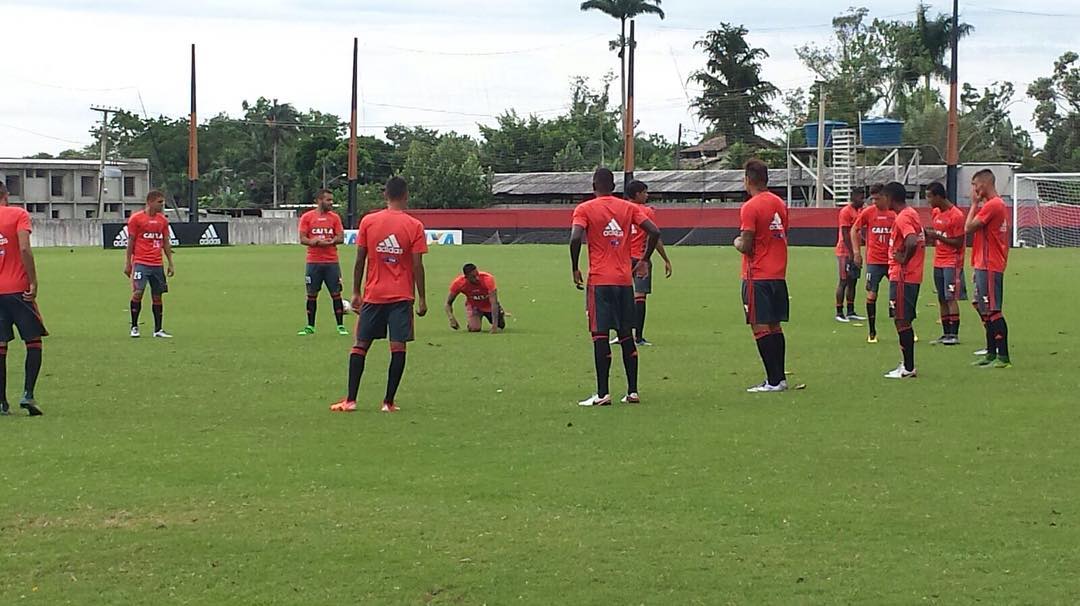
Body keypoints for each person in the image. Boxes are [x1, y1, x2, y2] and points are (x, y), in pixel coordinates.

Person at [331, 177, 428, 413]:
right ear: (406, 195)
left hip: (373, 294)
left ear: (385, 195)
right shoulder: (414, 226)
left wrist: (355, 292)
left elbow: (359, 260)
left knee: (360, 345)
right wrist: (422, 298)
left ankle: (351, 400)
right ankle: (388, 402)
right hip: (401, 296)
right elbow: (417, 265)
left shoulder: (369, 221)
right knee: (398, 348)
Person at [570, 168, 660, 407]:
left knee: (600, 335)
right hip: (623, 281)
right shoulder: (629, 208)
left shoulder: (585, 209)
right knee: (626, 336)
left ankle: (602, 394)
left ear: (593, 185)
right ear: (614, 186)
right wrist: (644, 260)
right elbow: (654, 231)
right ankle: (632, 392)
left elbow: (575, 237)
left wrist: (575, 267)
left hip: (599, 280)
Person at [734, 159, 790, 392]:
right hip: (778, 273)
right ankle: (780, 378)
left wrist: (735, 242)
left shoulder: (750, 206)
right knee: (774, 326)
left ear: (748, 180)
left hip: (757, 274)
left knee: (759, 326)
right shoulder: (780, 203)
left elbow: (746, 244)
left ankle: (773, 380)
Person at [0, 183, 45, 416]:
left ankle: (1, 402)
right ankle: (28, 394)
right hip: (18, 289)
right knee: (33, 341)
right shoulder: (18, 214)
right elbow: (25, 248)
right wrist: (33, 281)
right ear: (5, 195)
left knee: (0, 345)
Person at [966, 169, 1011, 368]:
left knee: (993, 310)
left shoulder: (993, 205)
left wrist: (974, 204)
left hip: (990, 264)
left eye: (975, 185)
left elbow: (968, 227)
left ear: (983, 185)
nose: (974, 189)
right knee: (981, 305)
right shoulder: (995, 205)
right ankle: (991, 352)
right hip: (983, 263)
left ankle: (1003, 356)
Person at [883, 181, 926, 379]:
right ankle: (906, 364)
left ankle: (908, 367)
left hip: (903, 276)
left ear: (890, 198)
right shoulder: (912, 213)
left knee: (901, 319)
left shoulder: (903, 218)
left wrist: (903, 259)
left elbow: (911, 240)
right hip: (910, 276)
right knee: (902, 318)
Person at [624, 180, 673, 346]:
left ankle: (622, 334)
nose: (647, 195)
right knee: (640, 297)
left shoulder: (620, 209)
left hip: (621, 259)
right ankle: (638, 337)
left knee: (621, 296)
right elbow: (655, 236)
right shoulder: (646, 212)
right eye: (645, 192)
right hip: (641, 258)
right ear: (637, 194)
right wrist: (665, 259)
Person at [124, 190, 175, 338]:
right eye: (160, 202)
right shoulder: (136, 219)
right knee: (138, 292)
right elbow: (131, 242)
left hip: (157, 264)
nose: (162, 205)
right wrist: (128, 263)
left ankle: (158, 329)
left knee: (157, 295)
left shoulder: (162, 221)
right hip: (141, 262)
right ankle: (134, 327)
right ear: (150, 202)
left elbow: (165, 242)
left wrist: (170, 263)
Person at [297, 189, 348, 336]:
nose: (331, 203)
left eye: (332, 200)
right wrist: (315, 242)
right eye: (328, 200)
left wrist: (331, 241)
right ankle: (310, 326)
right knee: (311, 294)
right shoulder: (307, 217)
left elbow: (340, 238)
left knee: (336, 293)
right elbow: (303, 239)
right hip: (313, 262)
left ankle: (340, 326)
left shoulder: (335, 218)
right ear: (319, 200)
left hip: (331, 262)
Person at [851, 183, 894, 343]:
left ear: (886, 197)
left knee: (899, 296)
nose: (875, 202)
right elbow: (854, 230)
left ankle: (906, 329)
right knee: (871, 294)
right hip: (874, 261)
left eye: (878, 198)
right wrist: (857, 252)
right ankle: (872, 332)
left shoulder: (895, 213)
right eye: (873, 199)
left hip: (892, 261)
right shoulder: (869, 212)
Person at [925, 182, 967, 345]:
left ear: (939, 196)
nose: (928, 200)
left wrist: (937, 237)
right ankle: (945, 333)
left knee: (951, 297)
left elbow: (958, 242)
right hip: (938, 260)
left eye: (929, 196)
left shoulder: (956, 215)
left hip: (952, 261)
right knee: (942, 298)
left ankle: (954, 334)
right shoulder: (936, 212)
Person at [834, 187, 867, 322]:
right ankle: (839, 312)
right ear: (853, 197)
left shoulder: (860, 211)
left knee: (853, 281)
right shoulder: (846, 211)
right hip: (845, 252)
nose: (862, 200)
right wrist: (852, 252)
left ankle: (851, 310)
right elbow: (846, 233)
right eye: (860, 197)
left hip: (855, 251)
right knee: (844, 281)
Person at [445, 263, 504, 333]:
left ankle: (500, 312)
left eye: (477, 274)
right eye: (473, 277)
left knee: (501, 325)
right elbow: (448, 303)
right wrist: (451, 318)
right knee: (474, 329)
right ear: (466, 277)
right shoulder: (459, 283)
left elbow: (494, 303)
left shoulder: (488, 279)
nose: (477, 278)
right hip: (474, 306)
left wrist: (494, 326)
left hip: (489, 306)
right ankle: (472, 321)